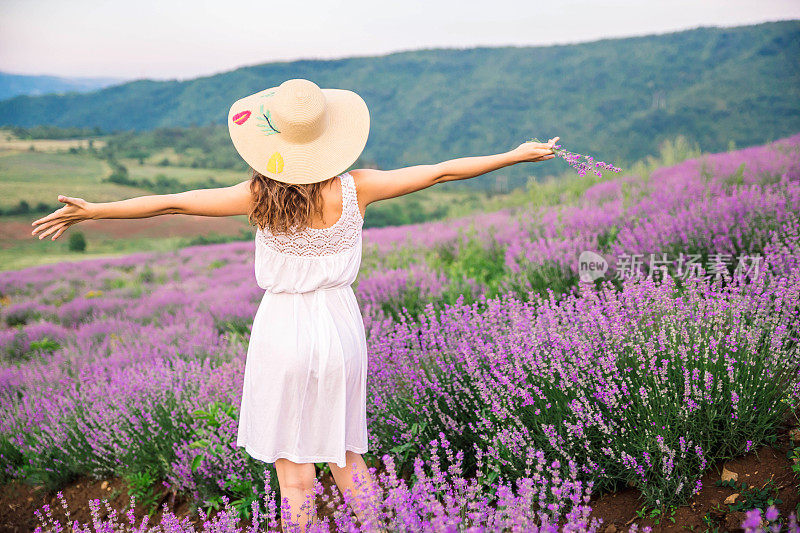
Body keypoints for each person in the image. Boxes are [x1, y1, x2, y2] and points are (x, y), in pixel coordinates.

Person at [30, 78, 558, 530]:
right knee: (348, 457)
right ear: (330, 138)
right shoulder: (359, 188)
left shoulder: (257, 196)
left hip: (283, 326)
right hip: (340, 324)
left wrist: (94, 209)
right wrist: (515, 155)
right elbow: (442, 170)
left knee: (294, 469)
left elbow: (172, 202)